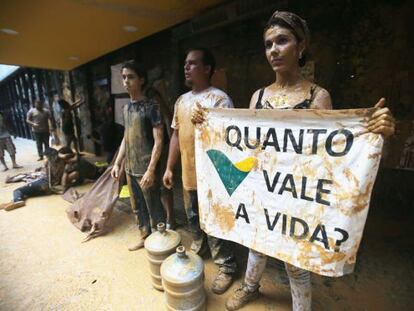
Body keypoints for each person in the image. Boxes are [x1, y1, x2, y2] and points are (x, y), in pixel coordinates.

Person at [192, 11, 393, 311]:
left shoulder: (317, 97)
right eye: (268, 44)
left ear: (300, 47)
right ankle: (250, 287)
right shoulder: (258, 97)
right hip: (262, 189)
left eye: (282, 41)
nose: (273, 50)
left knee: (295, 261)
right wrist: (207, 126)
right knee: (256, 244)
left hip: (296, 196)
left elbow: (332, 156)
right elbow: (245, 147)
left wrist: (376, 135)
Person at [163, 48, 238, 294]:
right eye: (185, 63)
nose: (186, 67)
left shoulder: (219, 99)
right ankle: (200, 245)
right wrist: (169, 167)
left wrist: (207, 122)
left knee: (216, 222)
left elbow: (228, 138)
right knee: (193, 218)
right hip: (188, 174)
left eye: (193, 63)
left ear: (207, 69)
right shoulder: (181, 101)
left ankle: (227, 266)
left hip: (213, 177)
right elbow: (175, 135)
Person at [111, 61, 166, 251]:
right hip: (130, 167)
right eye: (124, 77)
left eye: (131, 77)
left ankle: (161, 242)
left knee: (154, 206)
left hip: (145, 167)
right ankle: (145, 236)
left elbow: (159, 140)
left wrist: (151, 170)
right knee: (137, 207)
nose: (126, 81)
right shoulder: (126, 109)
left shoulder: (151, 106)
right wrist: (117, 163)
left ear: (141, 80)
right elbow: (126, 138)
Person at [0, 148, 66, 211]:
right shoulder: (62, 163)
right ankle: (11, 202)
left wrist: (45, 164)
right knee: (27, 193)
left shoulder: (49, 164)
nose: (44, 159)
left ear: (49, 157)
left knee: (17, 191)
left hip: (44, 184)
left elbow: (48, 176)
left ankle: (18, 200)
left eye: (45, 157)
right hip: (49, 187)